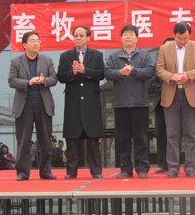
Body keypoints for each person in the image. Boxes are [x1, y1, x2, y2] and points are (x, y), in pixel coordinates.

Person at [156, 22, 195, 178]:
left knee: (191, 134)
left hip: (190, 93)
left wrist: (189, 75)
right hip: (171, 94)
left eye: (185, 38)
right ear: (174, 35)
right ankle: (173, 167)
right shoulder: (165, 48)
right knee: (172, 134)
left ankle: (190, 167)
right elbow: (159, 69)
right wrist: (171, 76)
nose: (182, 41)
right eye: (179, 38)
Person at [105, 24, 155, 178]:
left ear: (137, 38)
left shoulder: (145, 56)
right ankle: (126, 169)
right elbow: (107, 72)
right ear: (121, 38)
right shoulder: (114, 57)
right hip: (121, 103)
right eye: (125, 34)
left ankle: (142, 168)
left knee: (141, 137)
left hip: (140, 102)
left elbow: (149, 71)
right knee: (123, 138)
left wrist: (133, 71)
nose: (128, 36)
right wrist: (120, 72)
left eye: (131, 34)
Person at [8, 31, 58, 180]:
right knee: (24, 140)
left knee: (45, 140)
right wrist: (28, 83)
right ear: (24, 44)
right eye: (32, 41)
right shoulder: (16, 62)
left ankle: (46, 171)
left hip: (43, 104)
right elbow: (11, 81)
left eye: (38, 40)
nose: (36, 43)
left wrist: (44, 81)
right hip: (24, 105)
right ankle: (22, 172)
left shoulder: (47, 60)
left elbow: (54, 79)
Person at [57, 26, 105, 179]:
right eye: (75, 35)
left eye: (81, 35)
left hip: (91, 103)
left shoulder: (97, 55)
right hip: (73, 103)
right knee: (72, 139)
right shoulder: (65, 56)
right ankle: (71, 171)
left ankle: (96, 171)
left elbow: (101, 74)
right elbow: (60, 76)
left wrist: (85, 70)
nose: (78, 38)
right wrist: (73, 72)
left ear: (88, 38)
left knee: (93, 140)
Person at [150, 38, 174, 174]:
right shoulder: (159, 65)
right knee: (161, 134)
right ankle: (163, 164)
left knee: (176, 134)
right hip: (162, 103)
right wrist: (166, 89)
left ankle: (176, 162)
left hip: (178, 103)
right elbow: (153, 84)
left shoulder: (182, 63)